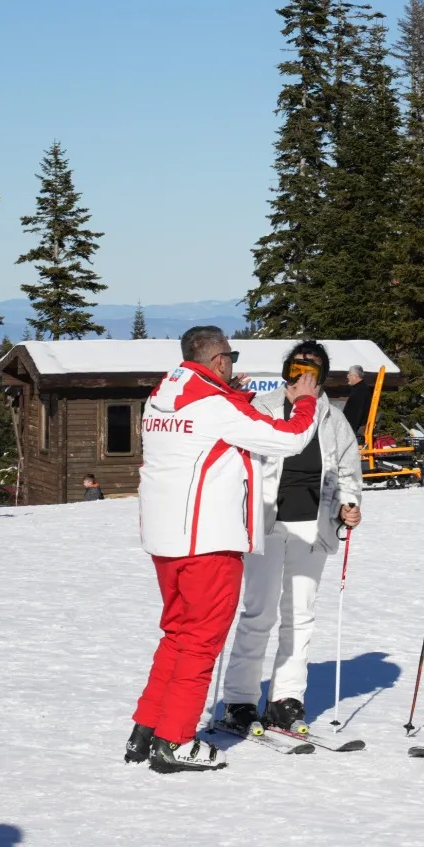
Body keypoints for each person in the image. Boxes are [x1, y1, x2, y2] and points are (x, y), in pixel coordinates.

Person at [125, 325, 322, 774]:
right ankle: (175, 740)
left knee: (177, 634)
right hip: (207, 540)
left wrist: (233, 394)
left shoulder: (163, 393)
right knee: (200, 641)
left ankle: (148, 727)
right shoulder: (215, 405)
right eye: (230, 357)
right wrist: (305, 399)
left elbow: (209, 423)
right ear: (218, 361)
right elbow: (290, 437)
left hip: (167, 540)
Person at [218, 340, 364, 737]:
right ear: (286, 371)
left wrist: (348, 505)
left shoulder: (333, 419)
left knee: (300, 615)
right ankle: (240, 700)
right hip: (265, 524)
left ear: (322, 378)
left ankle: (286, 699)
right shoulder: (262, 410)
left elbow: (348, 472)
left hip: (312, 525)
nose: (303, 374)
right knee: (259, 612)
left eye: (313, 369)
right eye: (297, 366)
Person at [342, 364, 374, 443]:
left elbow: (357, 413)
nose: (347, 376)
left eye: (349, 374)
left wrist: (349, 432)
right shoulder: (360, 389)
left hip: (355, 431)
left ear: (354, 376)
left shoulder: (360, 391)